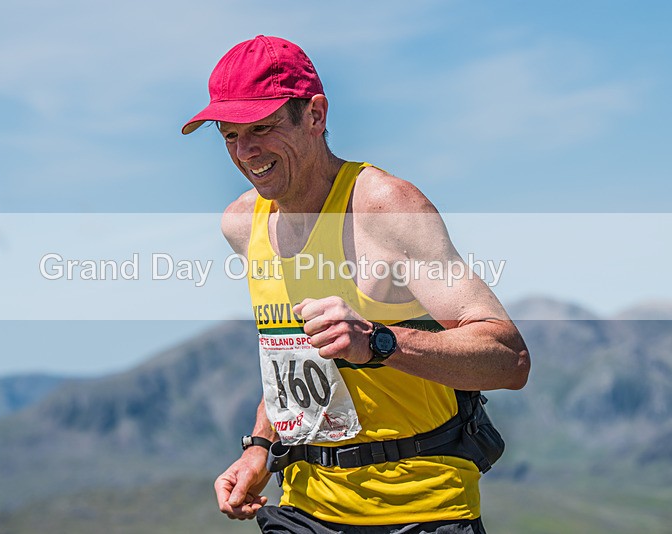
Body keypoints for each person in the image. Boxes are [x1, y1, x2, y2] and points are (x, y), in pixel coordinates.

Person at [182, 35, 530, 534]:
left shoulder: (385, 207)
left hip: (421, 509)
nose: (245, 151)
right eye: (229, 135)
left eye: (262, 127)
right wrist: (259, 447)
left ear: (315, 115)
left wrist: (379, 342)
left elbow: (510, 359)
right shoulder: (242, 223)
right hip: (304, 507)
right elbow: (290, 356)